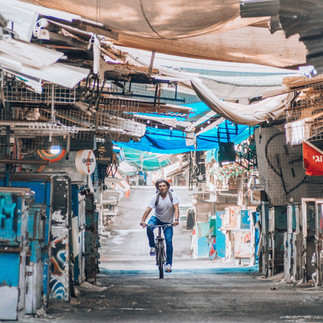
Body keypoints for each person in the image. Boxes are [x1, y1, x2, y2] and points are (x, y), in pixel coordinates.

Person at [140, 179, 179, 273]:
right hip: (156, 218)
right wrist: (143, 220)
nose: (162, 187)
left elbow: (176, 208)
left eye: (164, 186)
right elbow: (148, 209)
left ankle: (169, 263)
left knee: (169, 242)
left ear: (167, 187)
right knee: (149, 227)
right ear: (158, 188)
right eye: (160, 186)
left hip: (168, 222)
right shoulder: (155, 197)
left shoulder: (172, 196)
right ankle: (153, 246)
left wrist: (176, 220)